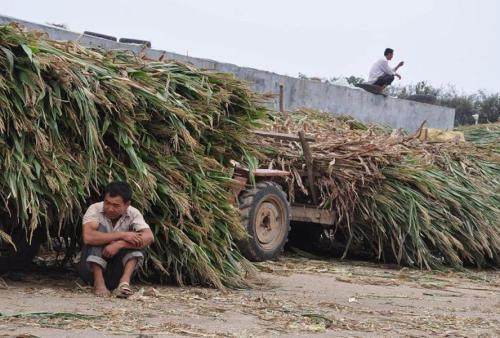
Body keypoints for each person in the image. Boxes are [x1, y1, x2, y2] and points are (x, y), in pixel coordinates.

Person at [77, 181, 154, 297]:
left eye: (116, 205)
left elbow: (149, 237)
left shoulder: (133, 213)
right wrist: (122, 235)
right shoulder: (94, 209)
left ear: (127, 204)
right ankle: (99, 282)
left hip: (117, 272)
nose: (110, 208)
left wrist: (120, 244)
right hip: (90, 272)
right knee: (99, 232)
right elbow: (88, 237)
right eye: (107, 203)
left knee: (137, 239)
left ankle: (124, 282)